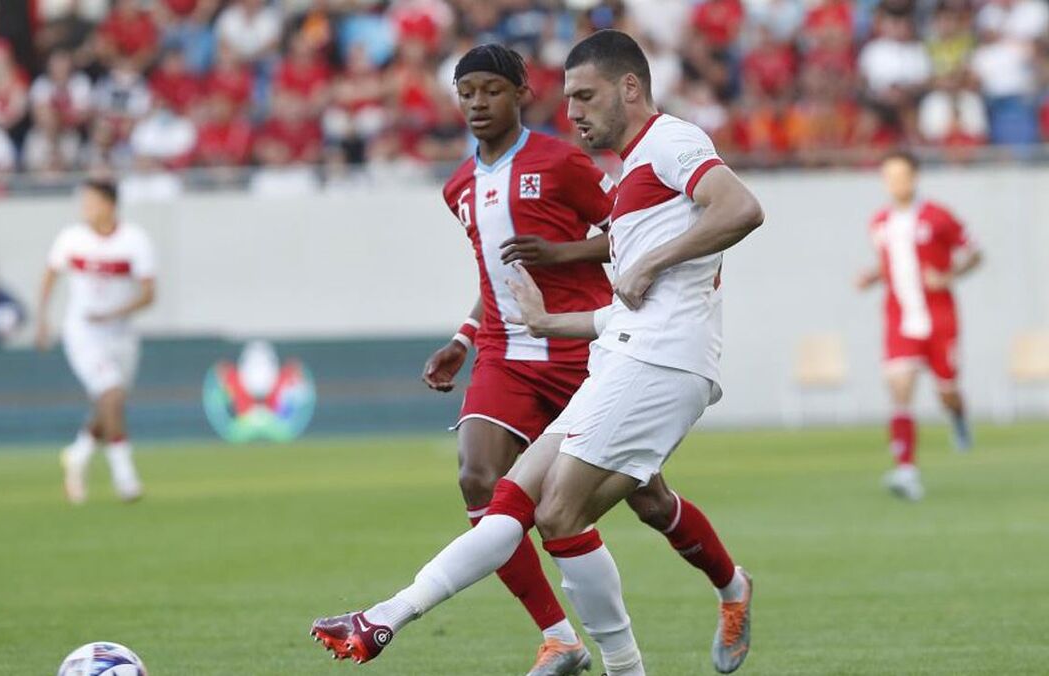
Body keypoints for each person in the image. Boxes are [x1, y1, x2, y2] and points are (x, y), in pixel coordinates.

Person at [311, 30, 765, 676]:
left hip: (660, 362)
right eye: (569, 98)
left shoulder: (670, 141)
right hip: (616, 350)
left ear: (629, 87)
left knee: (565, 512)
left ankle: (650, 644)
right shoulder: (625, 171)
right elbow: (627, 304)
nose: (572, 111)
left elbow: (742, 208)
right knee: (511, 497)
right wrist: (540, 322)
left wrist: (646, 263)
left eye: (585, 96)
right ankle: (387, 615)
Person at [418, 43, 614, 675]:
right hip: (506, 354)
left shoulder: (561, 161)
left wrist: (561, 255)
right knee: (477, 477)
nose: (478, 102)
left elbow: (631, 231)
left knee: (649, 501)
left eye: (491, 90)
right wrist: (463, 338)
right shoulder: (458, 187)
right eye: (466, 92)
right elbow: (494, 276)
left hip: (580, 349)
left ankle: (728, 583)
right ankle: (559, 638)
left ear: (522, 93)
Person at [856, 151, 982, 501]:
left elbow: (975, 253)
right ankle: (906, 470)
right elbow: (891, 265)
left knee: (947, 393)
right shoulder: (879, 222)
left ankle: (958, 417)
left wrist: (948, 275)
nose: (896, 183)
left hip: (940, 318)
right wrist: (871, 277)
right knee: (899, 387)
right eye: (889, 176)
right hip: (900, 319)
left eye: (901, 175)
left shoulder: (938, 216)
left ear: (914, 177)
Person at [35, 179, 157, 505]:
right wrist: (42, 319)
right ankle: (125, 476)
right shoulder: (71, 239)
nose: (85, 208)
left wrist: (115, 313)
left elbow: (149, 294)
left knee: (109, 405)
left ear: (109, 205)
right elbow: (50, 275)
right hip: (83, 333)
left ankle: (78, 454)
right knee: (111, 394)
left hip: (121, 334)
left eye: (91, 202)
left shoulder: (135, 240)